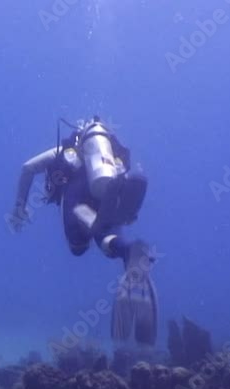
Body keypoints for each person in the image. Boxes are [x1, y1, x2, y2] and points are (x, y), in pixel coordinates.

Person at [9, 116, 158, 345]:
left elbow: (27, 168)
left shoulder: (66, 151)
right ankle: (129, 250)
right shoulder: (111, 156)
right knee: (109, 236)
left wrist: (20, 205)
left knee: (78, 244)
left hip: (76, 192)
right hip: (110, 187)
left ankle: (93, 222)